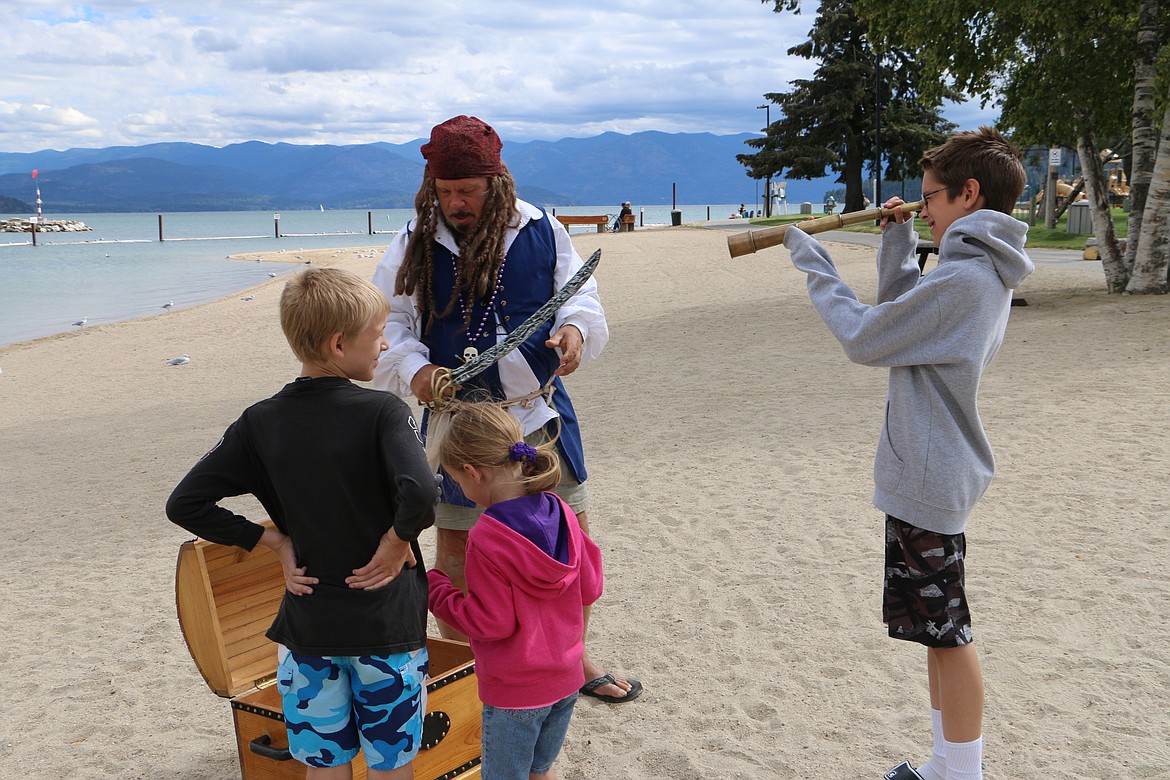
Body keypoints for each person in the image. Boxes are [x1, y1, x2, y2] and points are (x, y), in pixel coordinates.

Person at [780, 127, 1032, 780]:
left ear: (969, 194)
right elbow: (900, 317)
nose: (923, 209)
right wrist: (897, 242)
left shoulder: (969, 279)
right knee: (934, 634)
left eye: (931, 199)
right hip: (927, 473)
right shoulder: (962, 269)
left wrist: (816, 266)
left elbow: (867, 338)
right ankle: (944, 765)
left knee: (950, 636)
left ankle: (964, 774)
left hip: (933, 475)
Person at [371, 114, 641, 704]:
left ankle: (572, 662)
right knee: (457, 558)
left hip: (538, 418)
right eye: (445, 192)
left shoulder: (542, 229)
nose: (455, 203)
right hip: (459, 428)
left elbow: (581, 296)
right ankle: (476, 672)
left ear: (496, 182)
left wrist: (572, 331)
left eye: (467, 191)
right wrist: (416, 369)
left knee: (570, 547)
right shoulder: (415, 236)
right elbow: (389, 320)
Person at [166, 267, 438, 780]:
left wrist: (271, 541)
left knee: (324, 768)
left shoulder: (259, 421)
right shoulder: (382, 410)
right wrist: (397, 539)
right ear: (338, 344)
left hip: (308, 627)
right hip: (386, 627)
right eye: (377, 334)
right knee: (391, 768)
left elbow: (186, 503)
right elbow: (422, 492)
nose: (384, 345)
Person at [428, 401, 604, 780]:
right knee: (541, 769)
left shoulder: (487, 536)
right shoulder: (561, 510)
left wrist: (438, 591)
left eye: (457, 480)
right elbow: (591, 585)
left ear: (473, 473)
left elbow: (491, 623)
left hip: (515, 691)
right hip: (567, 678)